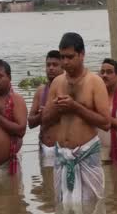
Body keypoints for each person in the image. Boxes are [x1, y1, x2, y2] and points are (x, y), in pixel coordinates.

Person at [42, 32, 111, 204]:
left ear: (82, 55)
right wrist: (58, 109)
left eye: (70, 57)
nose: (65, 62)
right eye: (62, 57)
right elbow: (45, 120)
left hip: (86, 156)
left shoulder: (95, 82)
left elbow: (106, 123)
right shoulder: (57, 82)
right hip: (62, 156)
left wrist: (75, 107)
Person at [28, 50, 63, 167]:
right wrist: (42, 114)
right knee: (47, 184)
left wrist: (51, 111)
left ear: (63, 67)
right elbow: (31, 123)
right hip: (44, 148)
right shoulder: (41, 91)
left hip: (64, 150)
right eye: (48, 65)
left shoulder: (68, 90)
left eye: (55, 65)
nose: (51, 68)